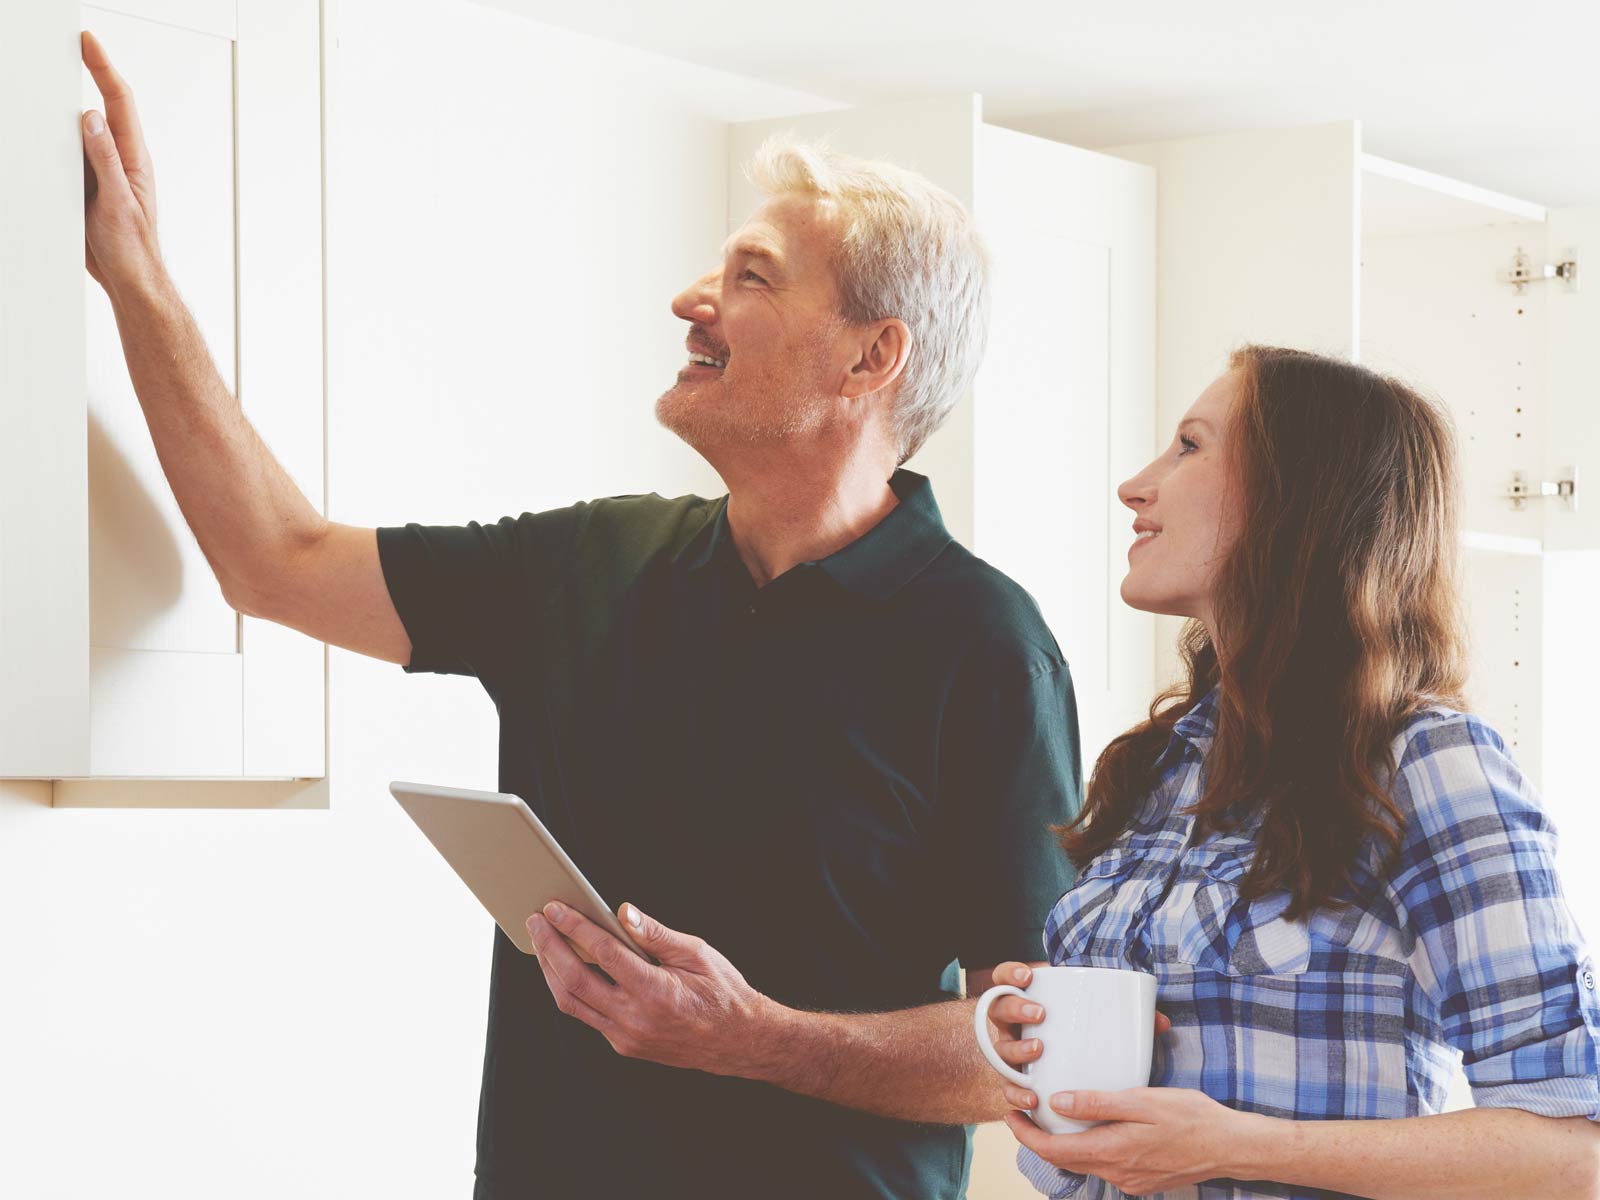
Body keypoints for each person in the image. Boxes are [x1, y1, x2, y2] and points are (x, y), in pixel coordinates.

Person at [78, 29, 1091, 1198]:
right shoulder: (592, 560)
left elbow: (1027, 1049)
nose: (690, 301)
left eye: (752, 277)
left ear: (871, 359)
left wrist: (754, 1035)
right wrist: (134, 274)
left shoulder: (983, 648)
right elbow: (277, 560)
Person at [986, 346, 1600, 1198]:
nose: (1136, 484)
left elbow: (1574, 1153)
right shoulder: (1156, 768)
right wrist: (1037, 1024)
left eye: (1190, 447)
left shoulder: (1428, 764)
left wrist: (1240, 1146)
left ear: (1297, 496)